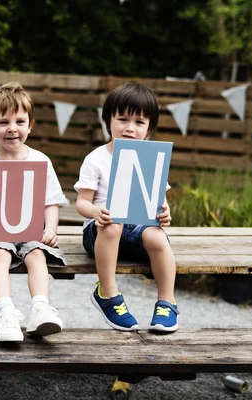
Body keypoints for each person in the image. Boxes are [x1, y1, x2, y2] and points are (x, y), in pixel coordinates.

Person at [0, 82, 69, 342]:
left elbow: (50, 202)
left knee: (37, 252)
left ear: (30, 126)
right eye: (3, 122)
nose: (12, 129)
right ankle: (6, 313)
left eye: (20, 121)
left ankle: (40, 307)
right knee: (0, 252)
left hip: (30, 230)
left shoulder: (41, 160)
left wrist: (50, 228)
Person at [74, 83, 178, 333]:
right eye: (122, 119)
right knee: (114, 223)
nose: (130, 128)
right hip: (100, 232)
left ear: (149, 129)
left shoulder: (150, 159)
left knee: (156, 234)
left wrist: (164, 213)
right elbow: (81, 203)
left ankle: (167, 301)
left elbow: (159, 202)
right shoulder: (96, 159)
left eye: (139, 122)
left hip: (137, 233)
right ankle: (108, 293)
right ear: (108, 121)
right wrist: (95, 212)